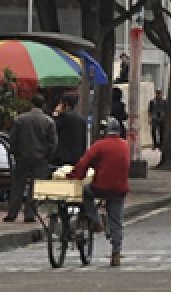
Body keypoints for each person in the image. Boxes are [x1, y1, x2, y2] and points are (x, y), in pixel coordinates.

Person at [67, 117, 129, 266]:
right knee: (116, 220)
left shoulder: (99, 145)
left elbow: (83, 162)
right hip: (120, 189)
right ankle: (116, 252)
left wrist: (75, 176)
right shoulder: (125, 145)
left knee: (86, 191)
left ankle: (96, 221)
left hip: (100, 187)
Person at [4, 94, 57, 223]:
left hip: (22, 156)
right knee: (35, 186)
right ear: (43, 105)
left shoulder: (20, 120)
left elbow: (13, 139)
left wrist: (15, 153)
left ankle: (12, 213)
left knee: (18, 185)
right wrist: (48, 157)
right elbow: (53, 143)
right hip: (40, 158)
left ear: (31, 105)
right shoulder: (48, 121)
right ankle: (30, 214)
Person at [52, 93, 87, 166]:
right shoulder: (81, 119)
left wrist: (55, 114)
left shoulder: (63, 117)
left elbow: (53, 129)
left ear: (65, 103)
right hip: (77, 156)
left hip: (63, 157)